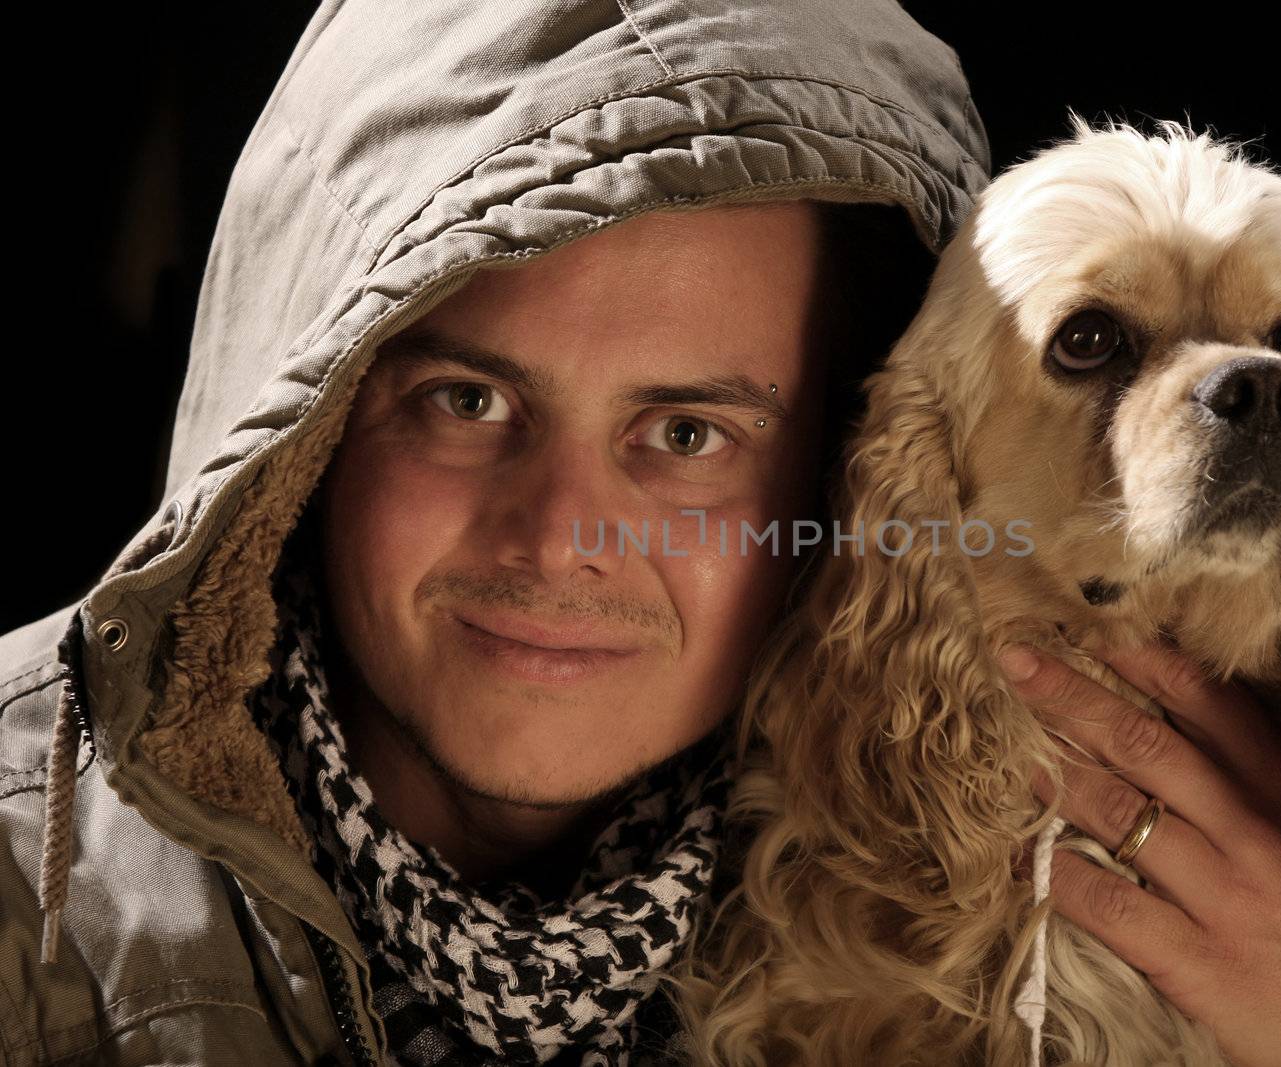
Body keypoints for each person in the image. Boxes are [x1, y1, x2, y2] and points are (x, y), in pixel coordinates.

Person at [0, 1, 989, 1064]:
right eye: (466, 401)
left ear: (845, 476)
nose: (560, 538)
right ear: (307, 430)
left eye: (687, 433)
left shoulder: (1027, 944)